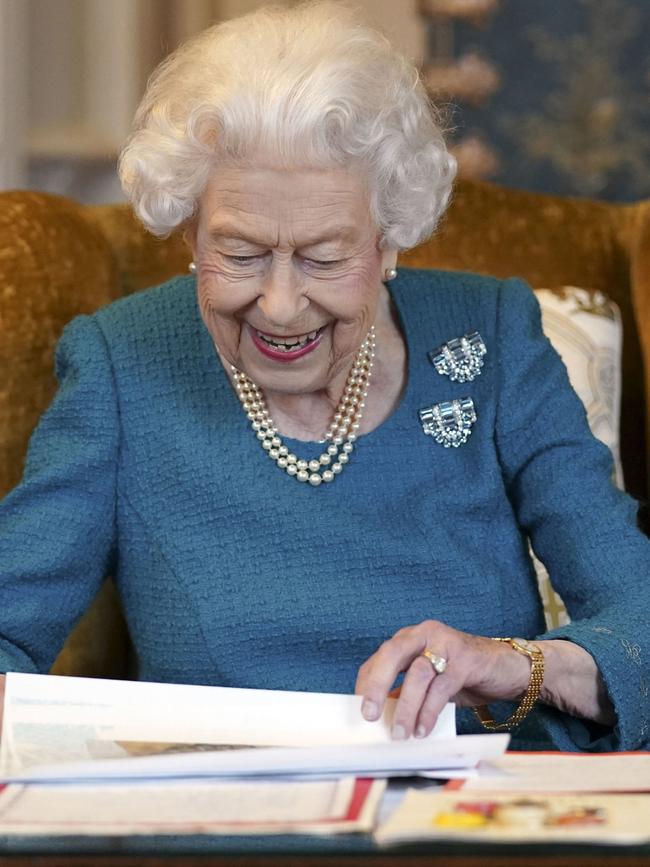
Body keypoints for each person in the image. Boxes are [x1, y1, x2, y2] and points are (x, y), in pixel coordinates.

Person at [0, 0, 648, 753]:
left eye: (324, 257)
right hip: (227, 826)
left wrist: (519, 665)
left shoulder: (492, 335)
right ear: (190, 229)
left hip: (481, 817)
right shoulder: (123, 364)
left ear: (388, 234)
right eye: (240, 253)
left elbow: (640, 623)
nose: (279, 305)